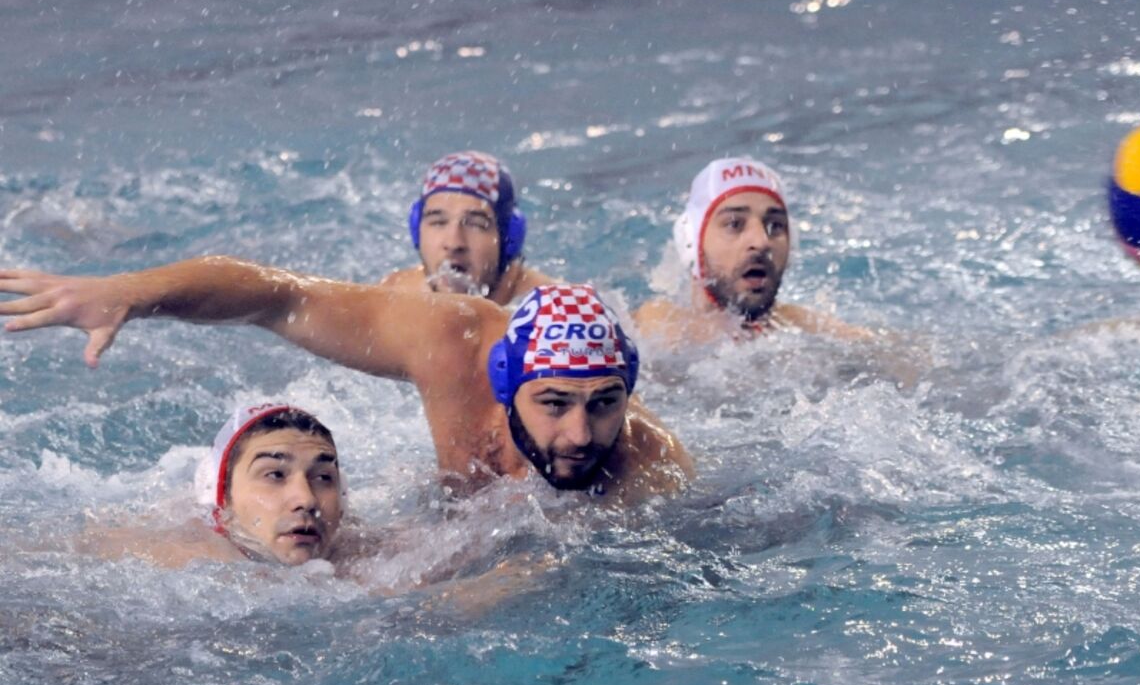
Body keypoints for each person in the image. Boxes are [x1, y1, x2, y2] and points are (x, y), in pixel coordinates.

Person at [0, 263, 693, 505]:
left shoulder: (650, 468)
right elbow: (280, 298)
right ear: (505, 383)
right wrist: (132, 292)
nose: (580, 434)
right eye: (554, 404)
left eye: (604, 404)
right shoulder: (451, 342)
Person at [635, 156, 876, 345]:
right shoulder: (649, 332)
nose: (762, 242)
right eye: (734, 224)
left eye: (775, 226)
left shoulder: (816, 332)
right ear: (691, 242)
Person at [87, 403, 345, 568]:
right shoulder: (181, 560)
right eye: (275, 475)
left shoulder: (358, 559)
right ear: (221, 496)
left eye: (323, 478)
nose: (306, 500)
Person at [380, 151, 554, 304]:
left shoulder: (549, 308)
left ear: (508, 240)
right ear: (416, 230)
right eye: (438, 222)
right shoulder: (393, 297)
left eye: (476, 224)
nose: (454, 243)